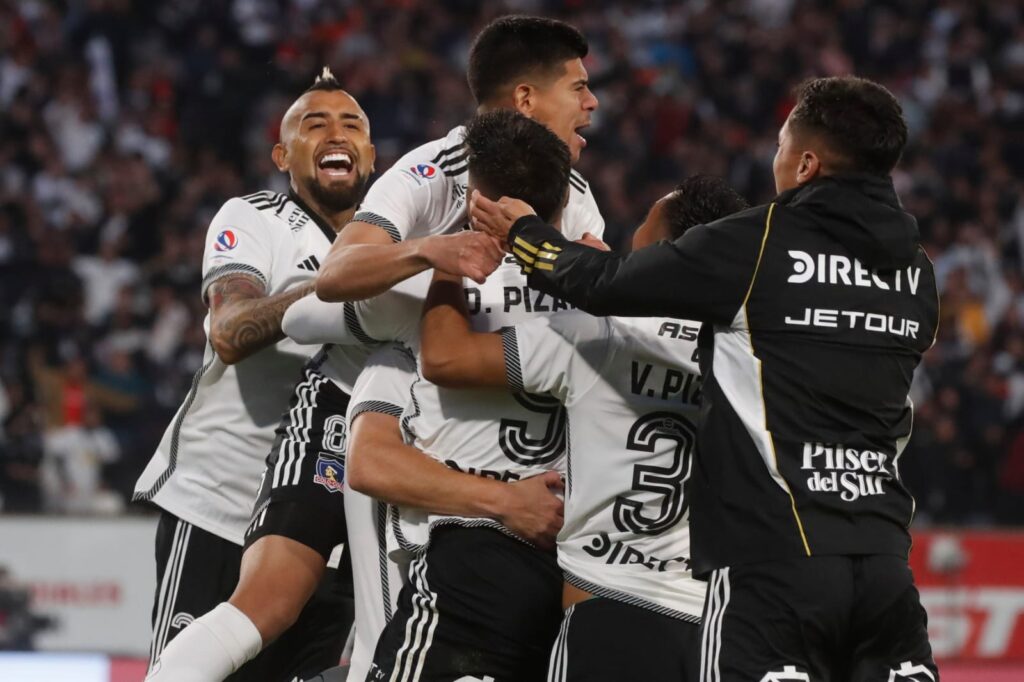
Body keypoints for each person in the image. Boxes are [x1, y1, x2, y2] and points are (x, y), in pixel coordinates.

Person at [470, 76, 940, 681]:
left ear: (805, 162)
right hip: (883, 565)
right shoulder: (918, 271)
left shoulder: (764, 240)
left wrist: (524, 233)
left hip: (776, 563)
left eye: (778, 147)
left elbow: (607, 283)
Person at [284, 109, 582, 682]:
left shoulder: (425, 314)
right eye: (578, 87)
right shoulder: (603, 308)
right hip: (571, 577)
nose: (588, 104)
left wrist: (431, 257)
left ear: (475, 201)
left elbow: (304, 313)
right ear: (563, 203)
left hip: (460, 577)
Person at [418, 176, 748, 682]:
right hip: (723, 625)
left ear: (665, 251)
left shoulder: (602, 330)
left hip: (611, 609)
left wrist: (448, 264)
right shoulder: (755, 356)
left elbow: (445, 356)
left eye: (642, 226)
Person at [137, 68, 376, 681]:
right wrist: (328, 290)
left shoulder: (388, 248)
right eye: (313, 123)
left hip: (327, 527)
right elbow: (230, 329)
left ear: (371, 156)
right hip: (223, 504)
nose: (336, 134)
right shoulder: (255, 217)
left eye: (352, 124)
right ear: (282, 154)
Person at [314, 14, 603, 304]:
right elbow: (333, 274)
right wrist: (429, 251)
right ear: (525, 100)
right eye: (578, 87)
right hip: (400, 345)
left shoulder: (574, 190)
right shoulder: (433, 173)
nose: (592, 101)